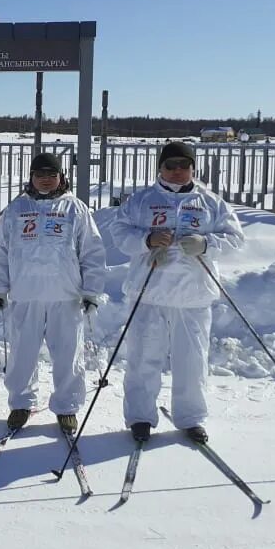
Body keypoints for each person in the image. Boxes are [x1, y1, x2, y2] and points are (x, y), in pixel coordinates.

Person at [105, 141, 245, 444]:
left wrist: (206, 245)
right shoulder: (141, 201)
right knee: (143, 357)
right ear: (160, 167)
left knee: (191, 360)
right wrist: (147, 240)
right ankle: (140, 416)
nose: (178, 170)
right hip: (149, 292)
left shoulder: (211, 203)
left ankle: (191, 417)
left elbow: (235, 238)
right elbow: (119, 232)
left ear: (193, 167)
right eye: (171, 165)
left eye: (184, 164)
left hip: (193, 295)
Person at [0, 152, 106, 433]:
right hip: (25, 294)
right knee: (22, 353)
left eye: (50, 175)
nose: (45, 180)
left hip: (65, 296)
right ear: (31, 177)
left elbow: (92, 251)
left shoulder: (75, 209)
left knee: (67, 354)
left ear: (60, 177)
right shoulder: (16, 209)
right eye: (39, 174)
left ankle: (67, 406)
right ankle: (20, 403)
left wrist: (92, 291)